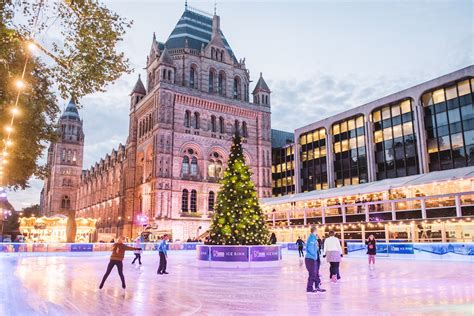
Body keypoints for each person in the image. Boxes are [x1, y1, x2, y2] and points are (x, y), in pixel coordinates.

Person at [305, 227, 326, 293]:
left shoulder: (314, 238)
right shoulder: (311, 238)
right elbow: (309, 248)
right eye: (317, 231)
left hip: (314, 258)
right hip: (310, 258)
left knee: (316, 273)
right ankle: (309, 288)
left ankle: (317, 286)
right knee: (313, 274)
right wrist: (314, 255)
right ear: (315, 231)